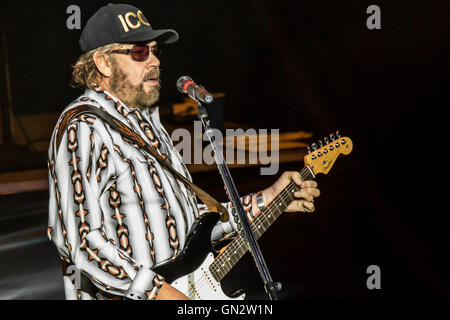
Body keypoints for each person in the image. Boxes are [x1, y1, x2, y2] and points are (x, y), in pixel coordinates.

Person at [47, 3, 320, 300]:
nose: (154, 61)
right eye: (139, 52)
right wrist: (160, 293)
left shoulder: (147, 122)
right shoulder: (85, 127)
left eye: (155, 51)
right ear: (103, 63)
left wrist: (269, 199)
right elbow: (80, 241)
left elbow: (191, 223)